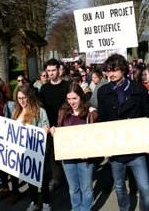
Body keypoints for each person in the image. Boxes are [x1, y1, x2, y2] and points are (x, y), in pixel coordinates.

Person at [97, 54, 149, 211]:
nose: (110, 74)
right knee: (120, 187)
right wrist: (104, 145)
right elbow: (102, 120)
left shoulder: (138, 89)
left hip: (137, 148)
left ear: (123, 69)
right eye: (108, 71)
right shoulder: (103, 92)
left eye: (114, 70)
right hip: (116, 150)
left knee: (145, 188)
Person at [51, 83, 98, 211]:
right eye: (69, 99)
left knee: (87, 189)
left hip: (85, 159)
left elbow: (97, 136)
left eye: (74, 98)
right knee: (73, 189)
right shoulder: (63, 112)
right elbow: (60, 132)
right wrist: (55, 131)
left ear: (81, 97)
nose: (71, 102)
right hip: (68, 158)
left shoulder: (91, 113)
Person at [12, 85, 52, 211]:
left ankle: (46, 203)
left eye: (24, 98)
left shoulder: (40, 111)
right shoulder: (16, 112)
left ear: (30, 97)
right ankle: (34, 201)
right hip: (24, 151)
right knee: (30, 178)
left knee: (43, 179)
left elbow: (45, 127)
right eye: (19, 98)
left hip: (38, 150)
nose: (22, 101)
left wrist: (45, 130)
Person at [39, 58, 70, 191]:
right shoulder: (44, 88)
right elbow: (41, 108)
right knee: (53, 154)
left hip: (66, 125)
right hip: (50, 127)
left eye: (53, 70)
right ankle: (56, 178)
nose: (51, 73)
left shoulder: (67, 86)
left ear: (59, 70)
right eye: (48, 70)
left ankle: (70, 178)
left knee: (68, 153)